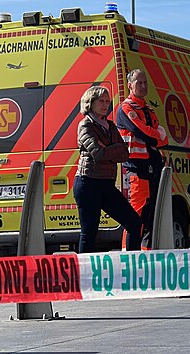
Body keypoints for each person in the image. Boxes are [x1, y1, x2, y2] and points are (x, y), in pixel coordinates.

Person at [74, 86, 142, 253]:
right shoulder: (85, 125)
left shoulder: (110, 126)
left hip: (107, 184)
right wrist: (113, 149)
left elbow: (125, 154)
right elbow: (98, 153)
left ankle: (132, 264)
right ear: (90, 103)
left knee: (134, 223)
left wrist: (109, 149)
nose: (105, 105)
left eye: (107, 101)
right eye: (101, 101)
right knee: (89, 232)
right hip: (88, 183)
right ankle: (84, 273)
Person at [116, 69, 169, 250]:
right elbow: (144, 132)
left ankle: (146, 255)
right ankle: (129, 255)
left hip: (152, 166)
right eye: (139, 83)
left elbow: (163, 137)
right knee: (136, 214)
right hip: (136, 167)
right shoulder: (126, 108)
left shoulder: (148, 110)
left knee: (150, 214)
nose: (144, 86)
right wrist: (155, 137)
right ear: (130, 85)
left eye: (145, 82)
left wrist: (155, 137)